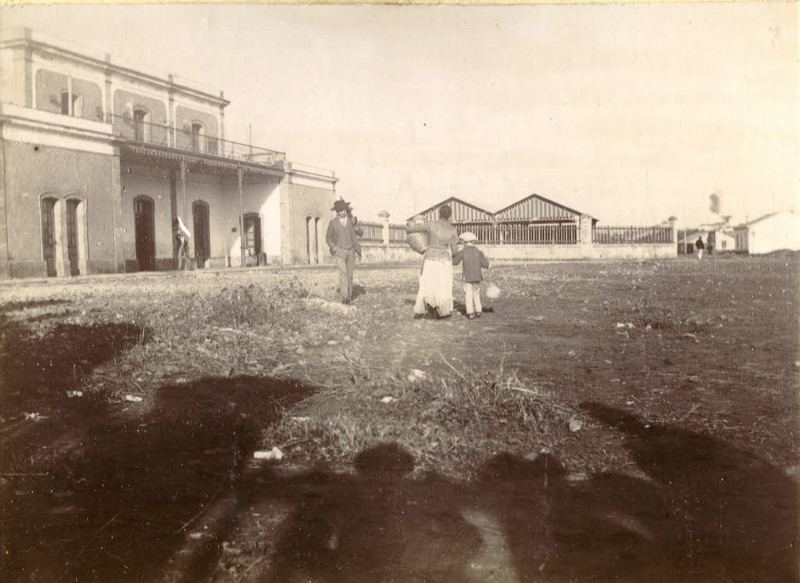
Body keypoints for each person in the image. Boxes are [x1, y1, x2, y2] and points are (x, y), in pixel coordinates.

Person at [406, 204, 459, 319]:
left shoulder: (431, 225)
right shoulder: (452, 229)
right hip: (445, 260)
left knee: (428, 283)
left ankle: (427, 307)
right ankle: (443, 310)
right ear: (450, 216)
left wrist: (409, 226)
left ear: (439, 214)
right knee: (443, 285)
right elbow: (455, 251)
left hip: (430, 258)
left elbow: (412, 229)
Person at [326, 198, 362, 304]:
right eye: (341, 210)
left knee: (349, 274)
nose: (344, 212)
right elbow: (328, 238)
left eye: (344, 209)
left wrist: (356, 226)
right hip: (339, 251)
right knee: (343, 273)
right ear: (337, 211)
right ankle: (344, 298)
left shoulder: (351, 221)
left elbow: (361, 233)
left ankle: (349, 296)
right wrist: (334, 248)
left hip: (351, 251)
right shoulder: (333, 223)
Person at [452, 232, 489, 320]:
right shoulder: (478, 251)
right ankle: (478, 310)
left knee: (468, 294)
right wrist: (487, 259)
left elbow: (455, 262)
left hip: (467, 277)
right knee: (476, 293)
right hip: (477, 276)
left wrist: (452, 255)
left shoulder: (463, 251)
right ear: (473, 241)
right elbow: (485, 264)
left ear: (464, 242)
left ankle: (470, 312)